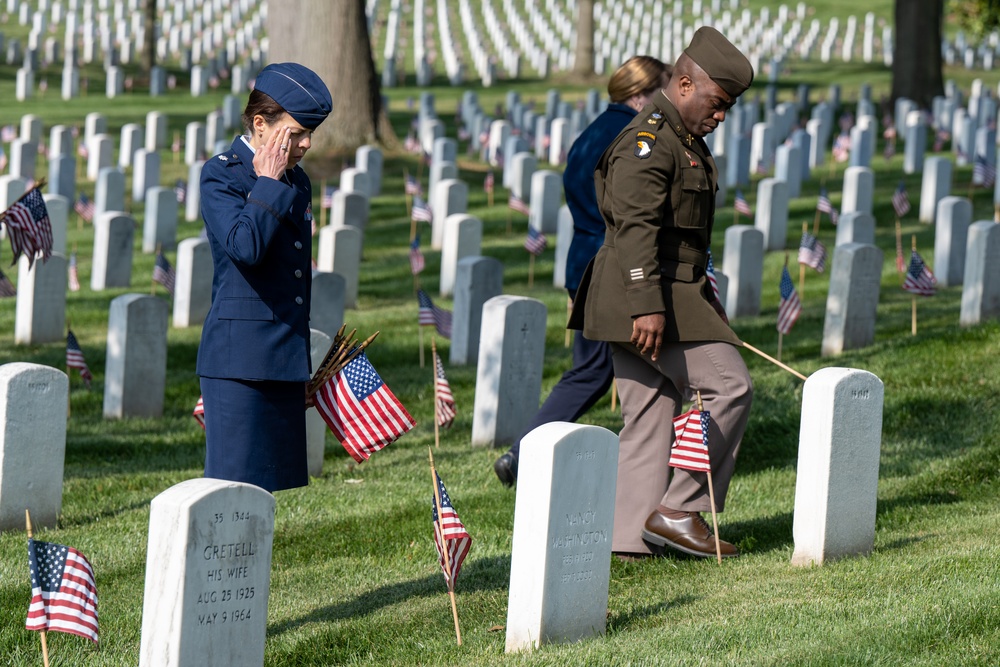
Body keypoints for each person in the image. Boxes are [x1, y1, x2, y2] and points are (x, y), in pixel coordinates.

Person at [569, 27, 754, 559]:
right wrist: (646, 304)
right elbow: (635, 228)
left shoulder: (681, 139)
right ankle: (680, 509)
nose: (719, 117)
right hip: (644, 297)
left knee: (649, 411)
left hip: (666, 296)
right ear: (684, 82)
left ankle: (628, 539)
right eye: (716, 104)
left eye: (727, 109)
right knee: (730, 387)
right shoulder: (648, 141)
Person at [493, 56, 672, 487]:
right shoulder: (637, 138)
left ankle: (524, 452)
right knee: (619, 371)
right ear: (639, 94)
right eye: (662, 90)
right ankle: (531, 453)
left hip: (584, 263)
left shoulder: (589, 135)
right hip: (615, 267)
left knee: (594, 369)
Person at [197, 62, 332, 493]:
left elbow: (294, 278)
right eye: (296, 133)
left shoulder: (299, 181)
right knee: (231, 498)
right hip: (239, 364)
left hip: (283, 362)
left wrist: (301, 366)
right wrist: (268, 180)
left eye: (310, 133)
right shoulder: (222, 173)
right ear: (261, 124)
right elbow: (245, 248)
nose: (307, 144)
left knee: (266, 503)